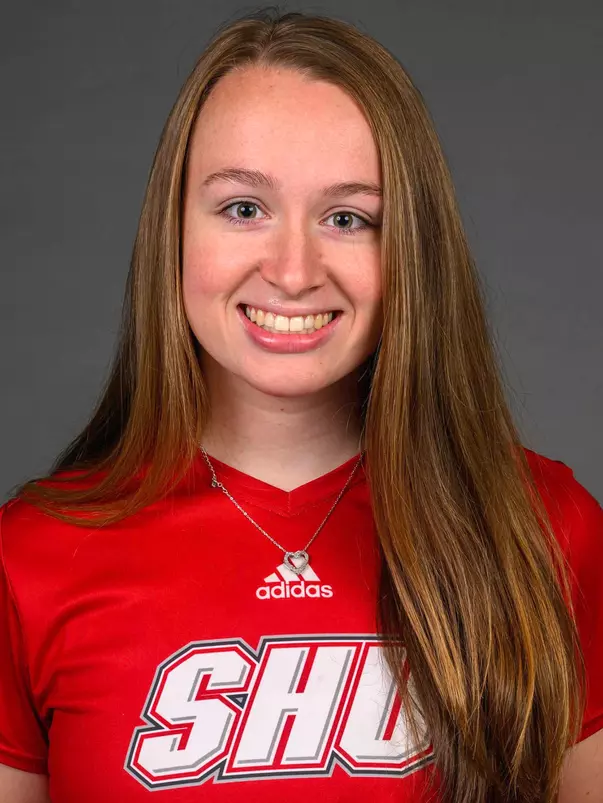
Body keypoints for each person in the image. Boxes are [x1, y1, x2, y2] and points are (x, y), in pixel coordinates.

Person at [0, 7, 601, 803]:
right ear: (173, 230)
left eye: (347, 218)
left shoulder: (543, 527)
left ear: (409, 252)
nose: (291, 271)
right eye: (243, 208)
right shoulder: (30, 559)